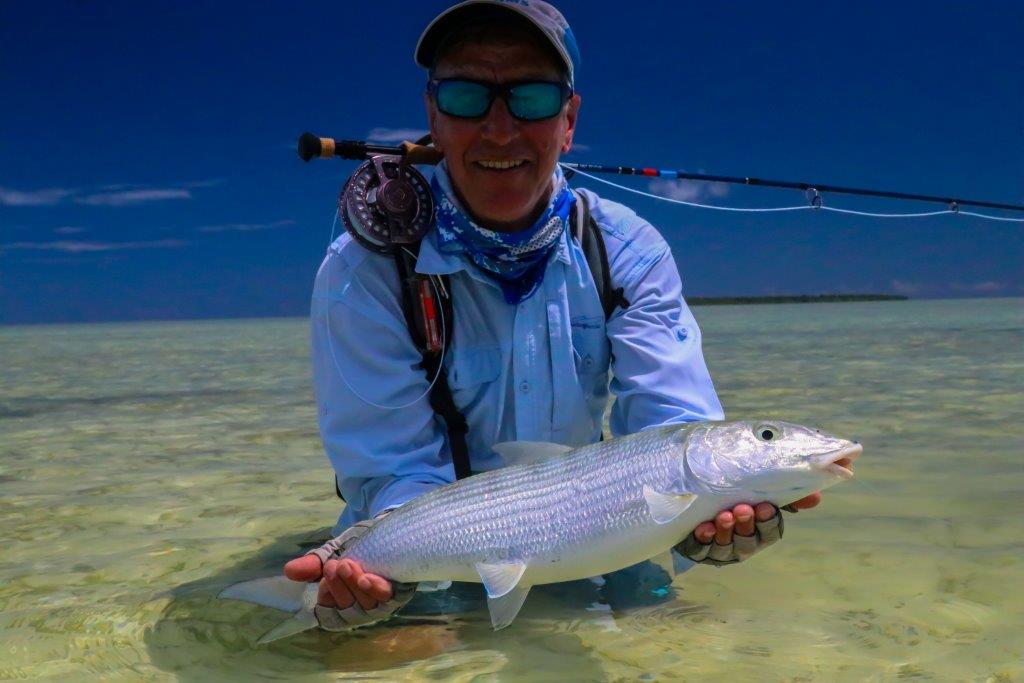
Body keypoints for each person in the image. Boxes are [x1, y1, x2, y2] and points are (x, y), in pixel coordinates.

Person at [284, 0, 827, 630]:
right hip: (422, 555)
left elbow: (674, 428)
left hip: (594, 534)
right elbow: (392, 470)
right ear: (432, 114)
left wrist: (699, 529)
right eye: (465, 96)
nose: (499, 130)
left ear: (568, 120)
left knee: (676, 648)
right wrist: (384, 565)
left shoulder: (628, 251)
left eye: (533, 99)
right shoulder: (365, 270)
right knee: (361, 656)